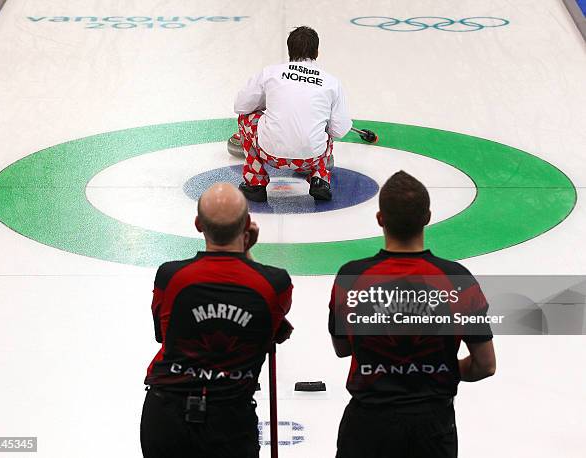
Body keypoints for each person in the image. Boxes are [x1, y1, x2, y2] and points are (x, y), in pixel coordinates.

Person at [329, 171, 496, 458]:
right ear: (428, 217)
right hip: (431, 427)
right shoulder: (458, 279)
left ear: (380, 219)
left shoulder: (352, 277)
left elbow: (343, 348)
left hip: (368, 426)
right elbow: (485, 365)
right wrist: (441, 371)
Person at [140, 183, 293, 458]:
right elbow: (273, 329)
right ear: (247, 225)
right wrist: (246, 252)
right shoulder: (275, 283)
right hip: (229, 420)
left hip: (166, 415)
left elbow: (163, 335)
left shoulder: (170, 276)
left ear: (198, 225)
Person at [233, 26, 352, 202]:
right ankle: (319, 178)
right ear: (317, 52)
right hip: (311, 158)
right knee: (329, 126)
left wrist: (267, 104)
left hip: (270, 154)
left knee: (246, 119)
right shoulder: (332, 83)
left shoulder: (270, 73)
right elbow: (340, 130)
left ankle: (255, 183)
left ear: (289, 50)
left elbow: (241, 106)